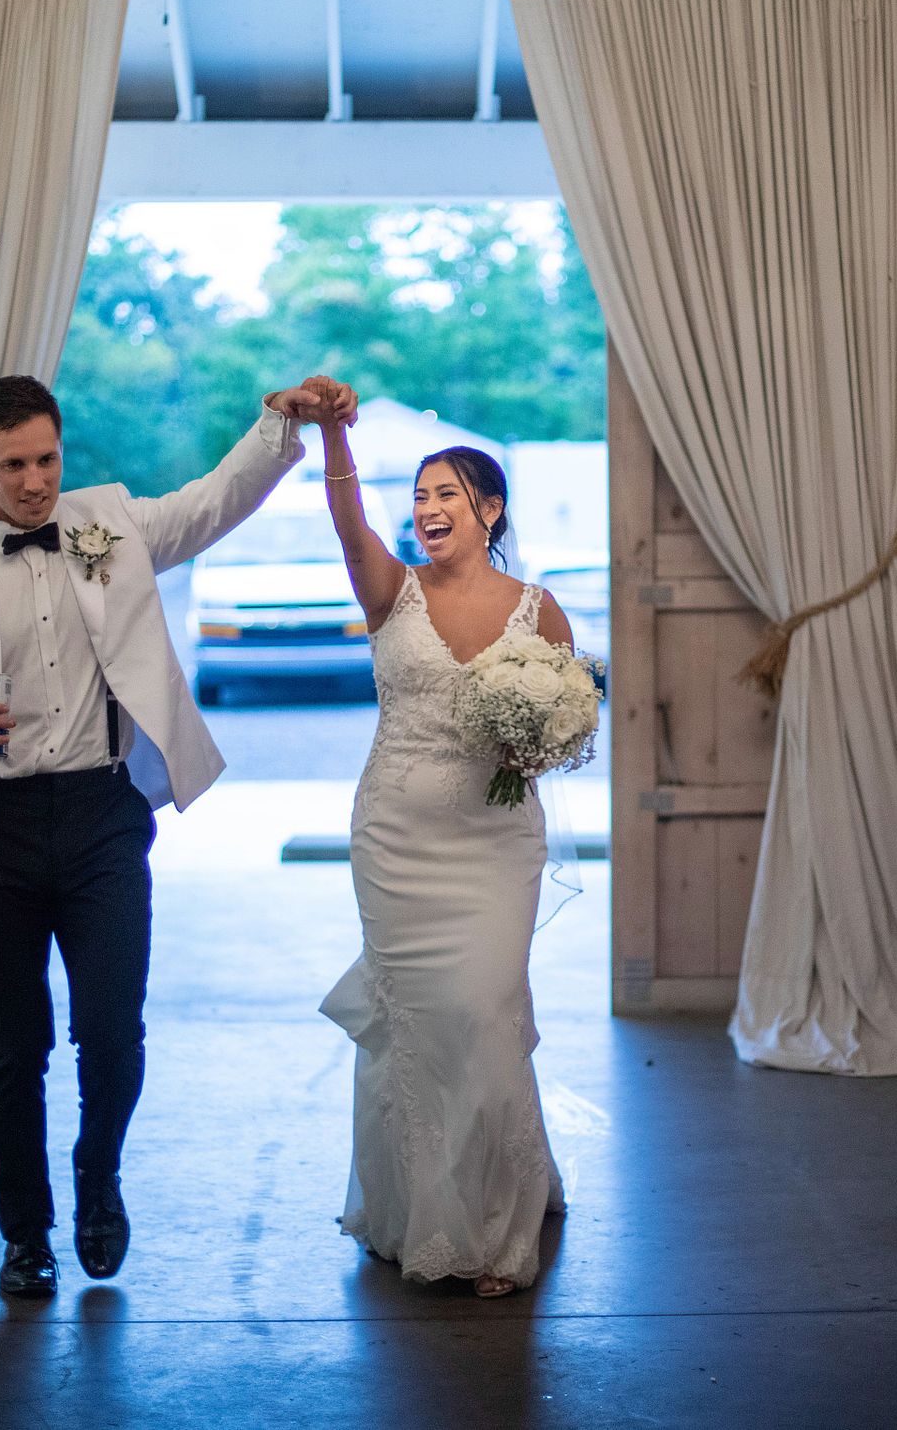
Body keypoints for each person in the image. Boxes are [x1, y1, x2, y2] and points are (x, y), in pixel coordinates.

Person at [0, 373, 357, 1298]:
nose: (35, 483)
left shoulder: (111, 524)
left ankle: (98, 1179)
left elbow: (212, 504)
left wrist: (276, 422)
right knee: (14, 1050)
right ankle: (25, 1236)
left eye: (47, 459)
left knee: (112, 1031)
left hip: (102, 816)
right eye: (14, 466)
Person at [307, 375, 571, 1298]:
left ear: (489, 509)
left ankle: (498, 1227)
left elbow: (569, 726)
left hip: (497, 846)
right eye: (418, 497)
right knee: (425, 1025)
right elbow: (348, 521)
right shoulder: (392, 591)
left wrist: (534, 737)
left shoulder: (539, 610)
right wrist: (337, 441)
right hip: (396, 842)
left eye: (446, 495)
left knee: (485, 1012)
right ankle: (422, 1211)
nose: (427, 510)